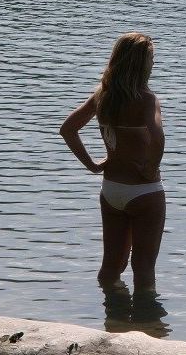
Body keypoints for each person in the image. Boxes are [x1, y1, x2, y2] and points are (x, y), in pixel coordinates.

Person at [60, 32, 166, 296]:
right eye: (152, 59)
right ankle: (147, 328)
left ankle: (112, 323)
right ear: (141, 64)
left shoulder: (102, 96)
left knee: (111, 266)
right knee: (143, 269)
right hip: (144, 192)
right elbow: (158, 137)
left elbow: (68, 129)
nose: (153, 64)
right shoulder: (146, 99)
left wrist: (93, 165)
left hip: (111, 190)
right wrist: (151, 167)